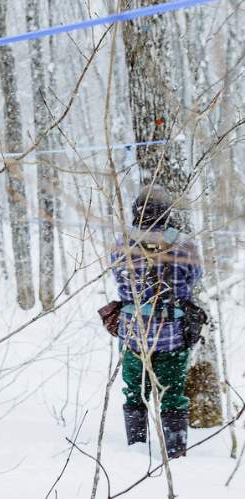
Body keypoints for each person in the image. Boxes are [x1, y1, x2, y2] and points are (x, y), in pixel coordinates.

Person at [111, 186, 203, 458]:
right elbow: (195, 278)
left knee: (134, 393)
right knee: (173, 394)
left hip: (132, 335)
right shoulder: (184, 245)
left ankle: (136, 451)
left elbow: (118, 279)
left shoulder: (121, 244)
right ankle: (175, 453)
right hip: (172, 336)